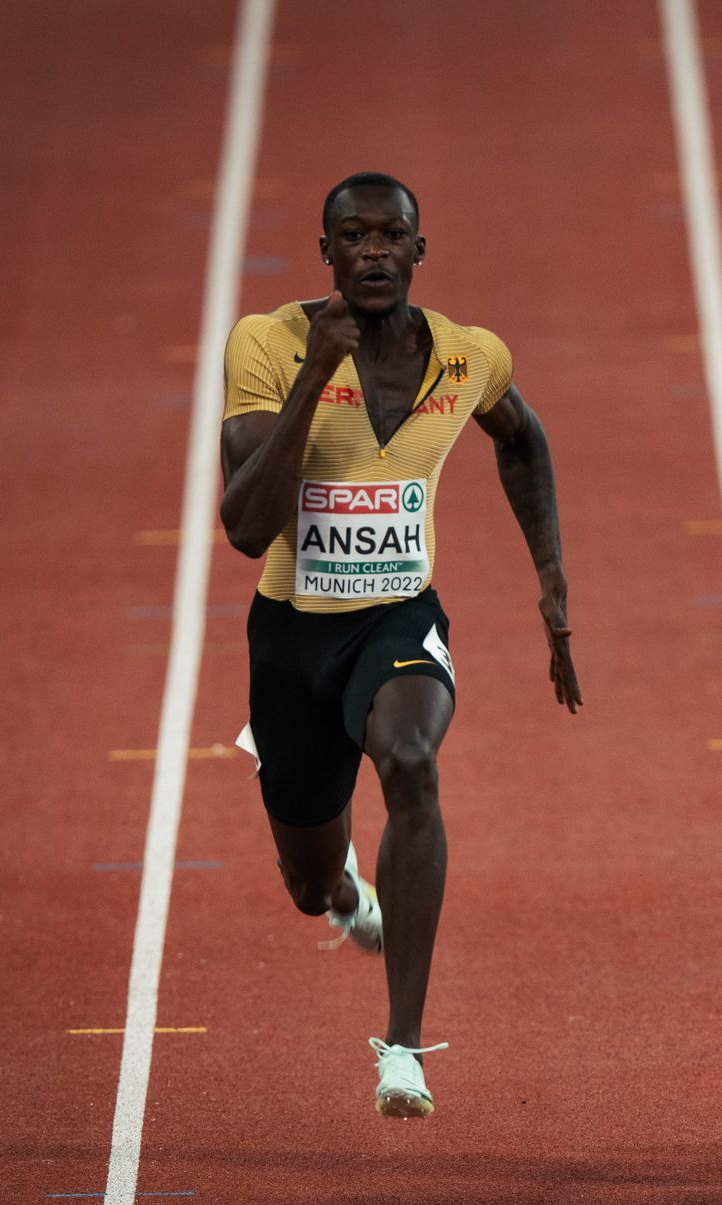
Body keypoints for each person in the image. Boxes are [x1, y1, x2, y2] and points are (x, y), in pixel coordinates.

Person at [219, 171, 581, 1118]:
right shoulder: (266, 344)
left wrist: (552, 588)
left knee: (413, 764)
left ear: (420, 252)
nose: (373, 252)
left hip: (398, 619)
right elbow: (247, 527)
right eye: (354, 237)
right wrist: (314, 376)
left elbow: (523, 438)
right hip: (293, 636)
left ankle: (405, 1050)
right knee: (305, 877)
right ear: (326, 251)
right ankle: (344, 895)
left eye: (392, 237)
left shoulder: (468, 357)